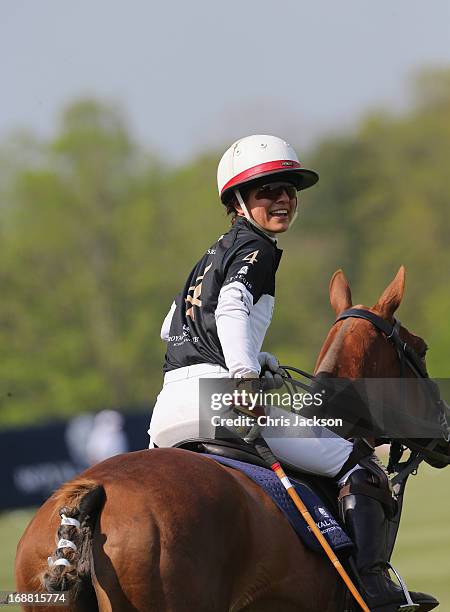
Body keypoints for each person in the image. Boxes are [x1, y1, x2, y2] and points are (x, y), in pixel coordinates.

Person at [148, 134, 436, 612]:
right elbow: (233, 308)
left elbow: (171, 327)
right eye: (267, 191)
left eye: (289, 190)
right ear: (238, 200)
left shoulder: (211, 256)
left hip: (166, 411)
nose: (282, 199)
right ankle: (371, 586)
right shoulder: (256, 248)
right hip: (219, 401)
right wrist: (243, 373)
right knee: (354, 462)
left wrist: (258, 360)